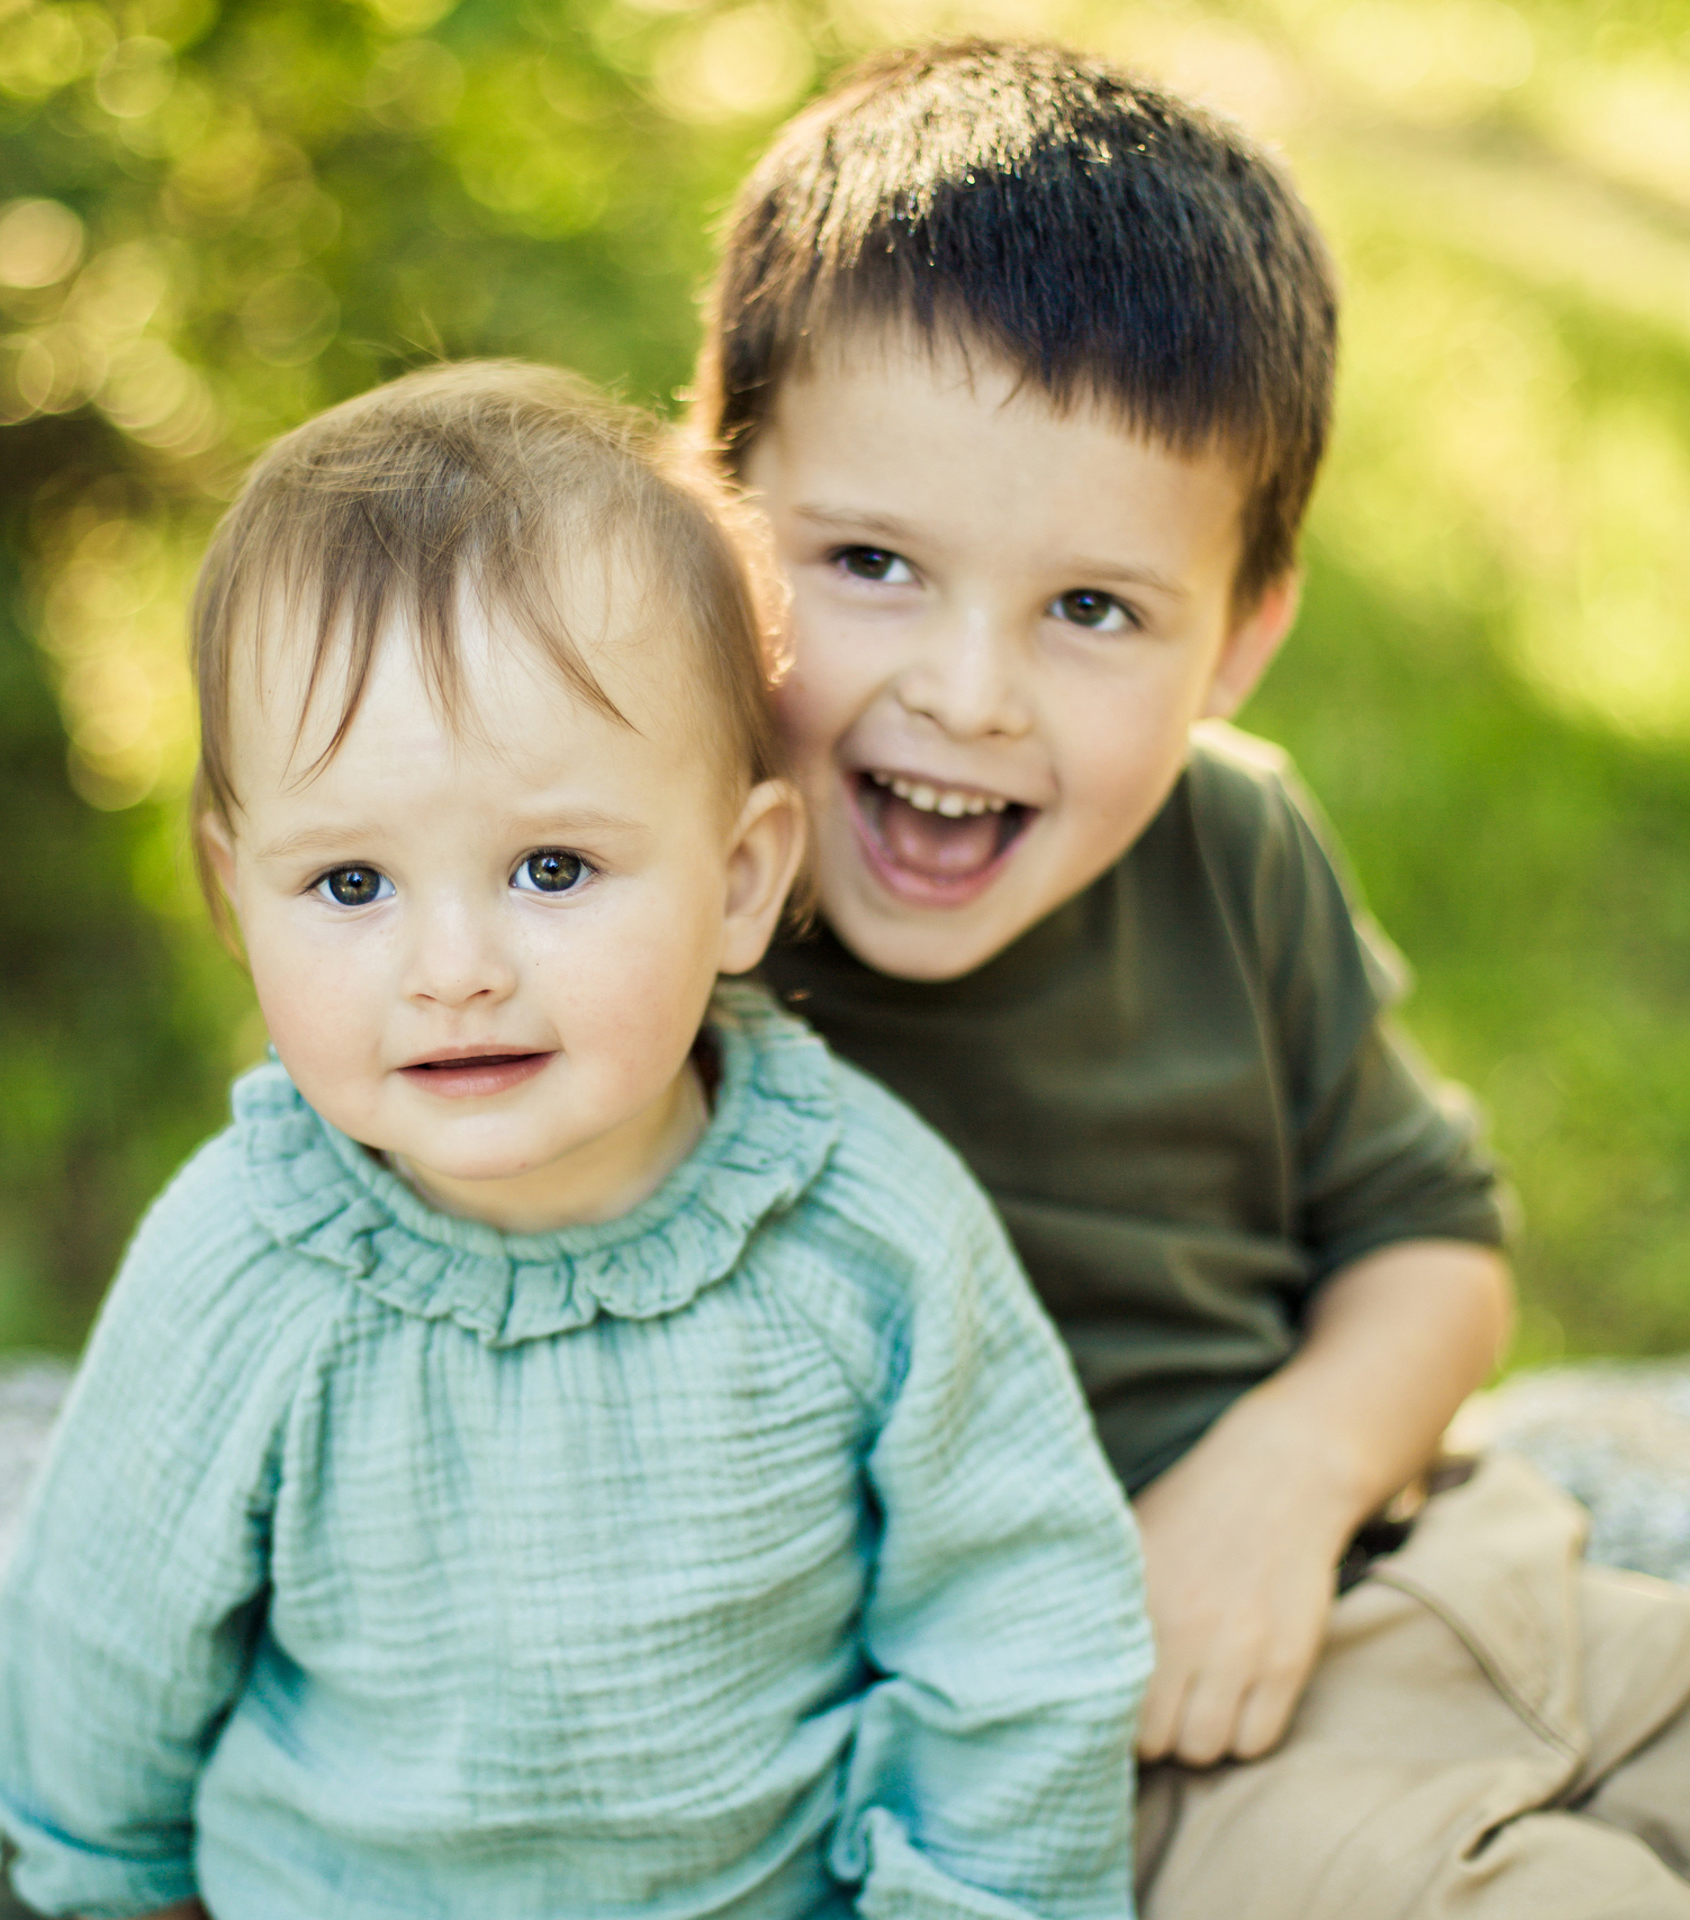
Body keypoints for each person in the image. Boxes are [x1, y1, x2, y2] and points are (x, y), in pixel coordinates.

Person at [695, 41, 1690, 1917]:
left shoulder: (1231, 845)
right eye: (873, 563)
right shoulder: (646, 922)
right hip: (1156, 1744)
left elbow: (1431, 1242)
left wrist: (1292, 1472)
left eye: (1092, 609)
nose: (969, 692)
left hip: (1426, 1575)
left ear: (1240, 635)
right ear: (714, 500)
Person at [0, 361, 1153, 1920]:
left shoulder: (860, 1228)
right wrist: (90, 1888)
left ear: (740, 881)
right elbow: (107, 1636)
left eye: (549, 866)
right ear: (235, 893)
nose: (450, 965)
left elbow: (1020, 1619)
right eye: (349, 887)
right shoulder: (248, 1263)